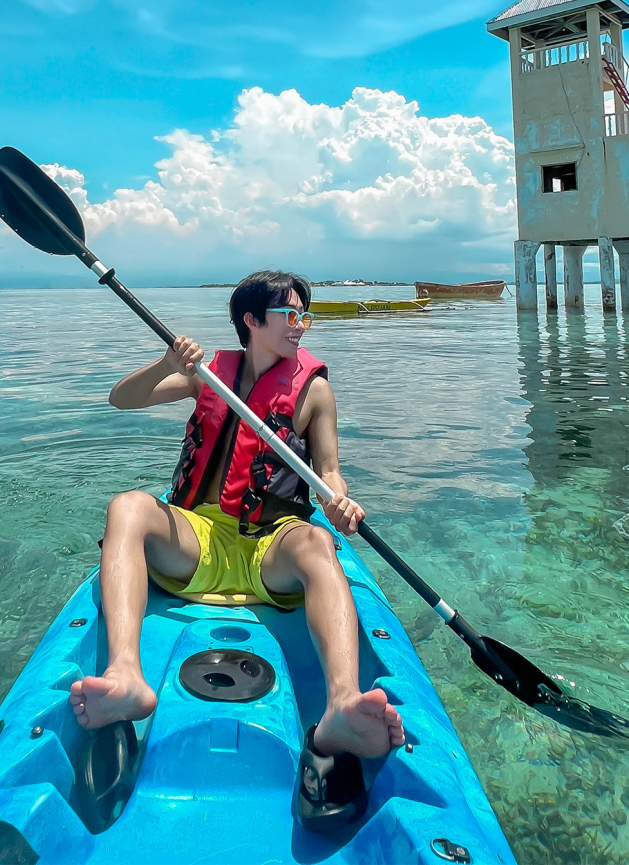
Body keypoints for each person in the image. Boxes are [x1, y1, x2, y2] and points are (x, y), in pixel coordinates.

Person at [69, 270, 404, 759]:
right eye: (290, 315)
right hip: (199, 535)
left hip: (271, 543)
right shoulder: (205, 374)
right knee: (128, 506)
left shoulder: (314, 392)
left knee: (317, 542)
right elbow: (122, 398)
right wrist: (165, 362)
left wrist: (339, 499)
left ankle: (342, 706)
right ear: (250, 320)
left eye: (304, 316)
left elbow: (329, 470)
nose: (301, 326)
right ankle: (124, 675)